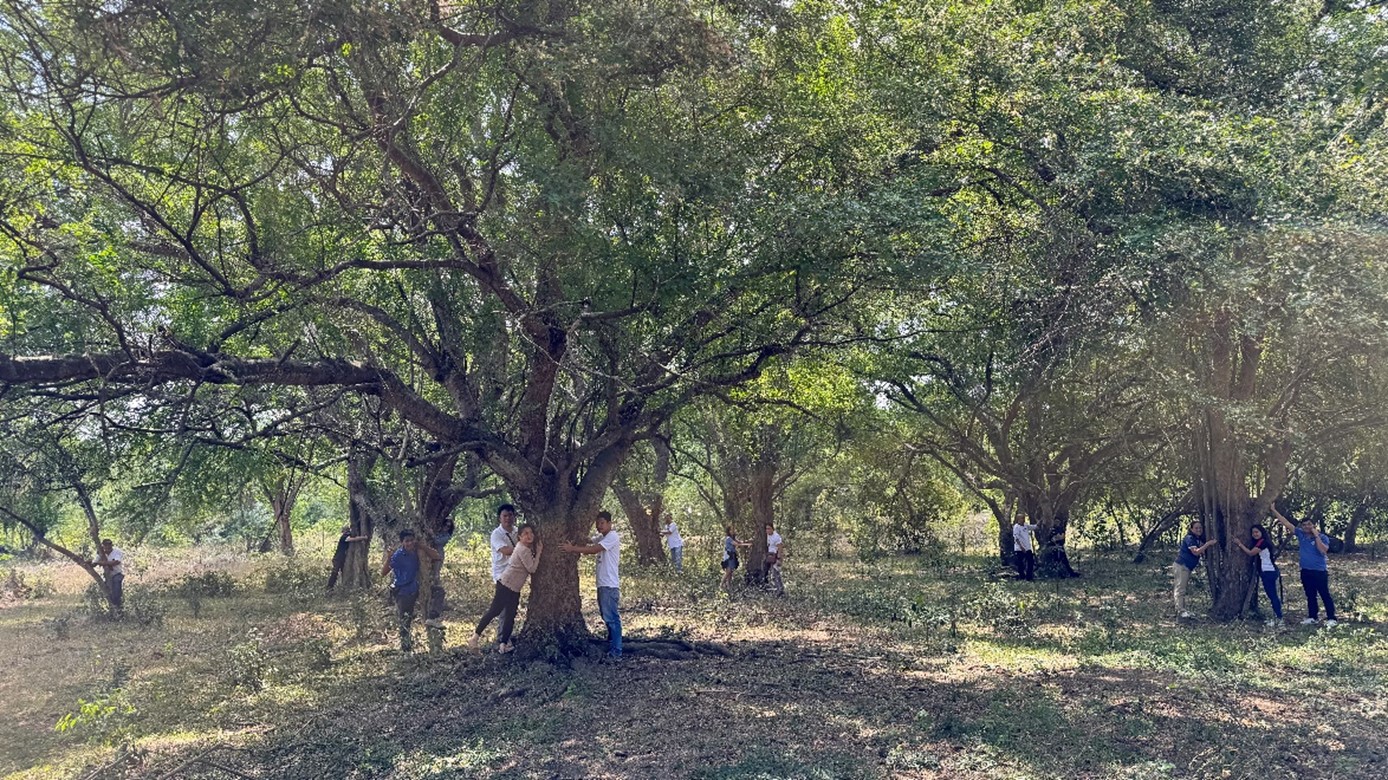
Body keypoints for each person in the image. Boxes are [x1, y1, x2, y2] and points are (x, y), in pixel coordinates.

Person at [471, 524, 542, 654]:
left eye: (531, 533)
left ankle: (504, 645)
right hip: (505, 585)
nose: (529, 535)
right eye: (525, 533)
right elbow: (532, 569)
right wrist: (539, 552)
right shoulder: (522, 549)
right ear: (519, 537)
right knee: (495, 611)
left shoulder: (525, 548)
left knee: (510, 615)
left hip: (514, 588)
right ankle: (475, 637)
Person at [561, 510, 622, 658]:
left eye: (602, 523)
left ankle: (617, 650)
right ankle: (612, 642)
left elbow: (595, 549)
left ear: (609, 523)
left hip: (609, 584)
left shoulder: (612, 536)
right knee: (606, 615)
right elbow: (591, 541)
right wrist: (578, 536)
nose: (599, 526)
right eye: (597, 523)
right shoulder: (603, 537)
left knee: (612, 618)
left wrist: (572, 549)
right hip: (603, 584)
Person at [1271, 507, 1337, 627]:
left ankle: (1331, 618)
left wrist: (1316, 536)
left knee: (1324, 594)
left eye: (1309, 524)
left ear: (1313, 525)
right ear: (1302, 527)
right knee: (1310, 594)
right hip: (1306, 570)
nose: (1307, 527)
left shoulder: (1322, 537)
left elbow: (1323, 550)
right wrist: (1274, 510)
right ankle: (1313, 616)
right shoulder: (1301, 535)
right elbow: (1286, 523)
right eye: (1304, 525)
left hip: (1319, 571)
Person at [379, 530, 440, 653]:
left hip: (417, 587)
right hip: (403, 590)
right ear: (402, 542)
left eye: (412, 540)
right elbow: (383, 573)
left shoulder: (418, 551)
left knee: (439, 592)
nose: (410, 543)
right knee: (405, 621)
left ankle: (432, 617)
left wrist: (422, 546)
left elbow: (436, 556)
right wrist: (389, 557)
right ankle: (406, 649)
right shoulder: (398, 555)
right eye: (407, 541)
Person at [1233, 524, 1283, 626]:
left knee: (1272, 595)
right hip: (1266, 571)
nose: (1255, 534)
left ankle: (1279, 618)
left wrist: (1239, 544)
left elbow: (1251, 553)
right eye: (1253, 533)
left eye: (1257, 532)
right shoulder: (1260, 542)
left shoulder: (1263, 542)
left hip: (1268, 571)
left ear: (1261, 532)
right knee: (1272, 595)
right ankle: (1277, 617)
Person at [1172, 520, 1217, 618]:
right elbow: (1195, 552)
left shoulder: (1197, 539)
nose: (1198, 530)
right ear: (1191, 529)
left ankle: (1181, 610)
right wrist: (1208, 544)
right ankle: (1180, 611)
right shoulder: (1190, 538)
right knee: (1180, 588)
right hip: (1182, 565)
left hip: (1187, 567)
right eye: (1196, 528)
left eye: (1200, 528)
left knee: (1182, 588)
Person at [327, 525, 369, 591]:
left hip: (341, 558)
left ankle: (341, 587)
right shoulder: (344, 537)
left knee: (343, 572)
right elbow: (353, 539)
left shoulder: (345, 536)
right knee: (335, 572)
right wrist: (363, 537)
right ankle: (330, 587)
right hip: (338, 558)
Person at [92, 539, 125, 612]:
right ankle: (113, 610)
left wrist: (102, 563)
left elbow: (116, 562)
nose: (107, 547)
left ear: (111, 545)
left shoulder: (117, 551)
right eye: (105, 545)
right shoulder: (101, 553)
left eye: (109, 544)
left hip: (117, 574)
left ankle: (119, 609)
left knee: (117, 594)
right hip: (107, 576)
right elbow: (94, 563)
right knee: (109, 594)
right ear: (103, 546)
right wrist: (88, 562)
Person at [490, 504, 518, 583]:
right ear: (499, 518)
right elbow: (506, 551)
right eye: (505, 516)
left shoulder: (518, 531)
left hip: (515, 574)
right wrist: (525, 549)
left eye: (510, 515)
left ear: (514, 516)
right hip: (501, 575)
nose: (508, 518)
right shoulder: (496, 534)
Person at [720, 526, 750, 592]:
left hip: (733, 556)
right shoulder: (728, 539)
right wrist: (748, 544)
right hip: (728, 556)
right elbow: (737, 544)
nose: (733, 531)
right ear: (729, 531)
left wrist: (748, 541)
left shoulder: (732, 538)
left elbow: (740, 542)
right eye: (731, 530)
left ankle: (729, 585)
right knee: (728, 571)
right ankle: (721, 585)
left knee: (731, 572)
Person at [1012, 515, 1038, 581]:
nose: (1023, 520)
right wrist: (1021, 547)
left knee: (1030, 562)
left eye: (1024, 518)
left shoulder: (1025, 526)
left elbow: (1033, 527)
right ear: (1018, 519)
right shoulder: (1016, 527)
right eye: (1022, 518)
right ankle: (1022, 576)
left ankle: (1029, 577)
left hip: (1027, 548)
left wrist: (1039, 522)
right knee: (1020, 563)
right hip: (1019, 548)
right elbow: (1016, 538)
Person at [764, 522, 785, 596]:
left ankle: (780, 589)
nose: (767, 530)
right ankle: (777, 588)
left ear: (772, 529)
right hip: (770, 556)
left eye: (769, 528)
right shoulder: (767, 536)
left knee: (776, 573)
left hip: (775, 556)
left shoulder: (776, 536)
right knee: (771, 573)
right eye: (766, 529)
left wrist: (779, 558)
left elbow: (780, 547)